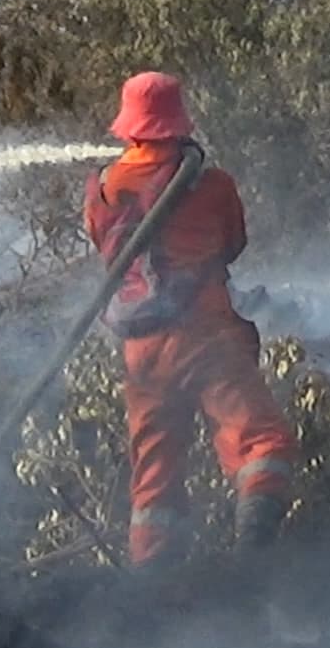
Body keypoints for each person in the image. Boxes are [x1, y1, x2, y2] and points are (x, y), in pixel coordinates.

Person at [82, 71, 299, 570]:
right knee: (265, 443)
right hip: (204, 335)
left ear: (129, 126)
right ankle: (254, 565)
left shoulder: (103, 189)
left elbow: (108, 252)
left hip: (141, 352)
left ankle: (155, 595)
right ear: (178, 122)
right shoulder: (212, 184)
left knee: (154, 483)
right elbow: (233, 244)